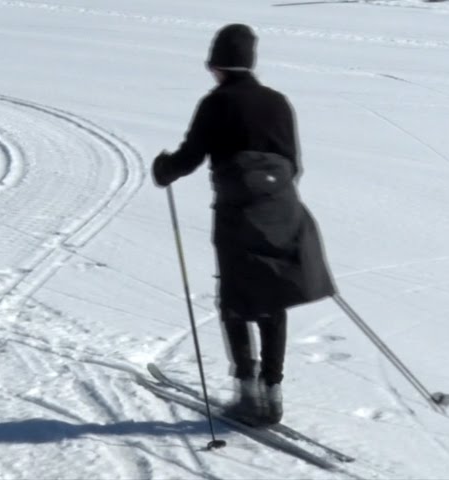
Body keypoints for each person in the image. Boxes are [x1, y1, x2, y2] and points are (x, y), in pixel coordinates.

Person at [152, 23, 336, 426]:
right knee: (273, 295)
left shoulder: (216, 103)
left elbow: (191, 156)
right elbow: (294, 163)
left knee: (236, 298)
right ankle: (273, 392)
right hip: (281, 209)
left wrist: (164, 169)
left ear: (218, 63)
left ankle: (247, 392)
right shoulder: (278, 102)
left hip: (237, 214)